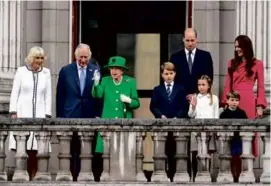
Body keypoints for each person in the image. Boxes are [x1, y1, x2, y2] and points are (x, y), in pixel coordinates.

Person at [56, 43, 102, 181]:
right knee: (72, 148)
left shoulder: (95, 70)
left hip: (89, 114)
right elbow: (60, 95)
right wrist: (59, 117)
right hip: (70, 114)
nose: (83, 60)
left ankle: (89, 177)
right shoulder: (66, 70)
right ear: (76, 56)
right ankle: (73, 176)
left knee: (88, 148)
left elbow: (99, 94)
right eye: (81, 57)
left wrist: (99, 113)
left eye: (86, 57)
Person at [9, 46, 52, 180]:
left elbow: (48, 95)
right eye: (37, 58)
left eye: (41, 58)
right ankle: (23, 175)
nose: (39, 61)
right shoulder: (21, 72)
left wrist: (47, 113)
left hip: (39, 113)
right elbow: (15, 92)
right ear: (31, 58)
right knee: (23, 146)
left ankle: (34, 176)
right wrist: (13, 112)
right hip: (23, 111)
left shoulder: (46, 73)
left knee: (37, 147)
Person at [221, 35, 267, 157]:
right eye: (235, 47)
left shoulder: (258, 64)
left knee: (248, 134)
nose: (237, 49)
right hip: (234, 101)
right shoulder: (231, 63)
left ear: (246, 47)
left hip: (249, 101)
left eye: (239, 46)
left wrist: (260, 105)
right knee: (233, 136)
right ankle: (234, 171)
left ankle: (248, 170)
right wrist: (226, 103)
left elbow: (261, 86)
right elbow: (227, 85)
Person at [150, 62, 187, 182]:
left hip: (176, 125)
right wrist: (160, 115)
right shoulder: (157, 89)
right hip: (162, 125)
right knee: (162, 152)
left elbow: (184, 106)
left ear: (175, 74)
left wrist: (178, 116)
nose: (169, 76)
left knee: (175, 151)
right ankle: (162, 175)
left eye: (171, 73)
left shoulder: (180, 88)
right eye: (166, 74)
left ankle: (173, 175)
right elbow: (153, 106)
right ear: (162, 75)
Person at [187, 75, 219, 182]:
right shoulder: (195, 97)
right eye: (199, 85)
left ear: (209, 85)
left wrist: (215, 131)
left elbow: (216, 117)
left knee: (208, 155)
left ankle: (208, 177)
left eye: (203, 84)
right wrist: (193, 105)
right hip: (196, 132)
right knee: (196, 154)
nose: (201, 87)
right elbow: (191, 115)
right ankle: (195, 178)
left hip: (209, 132)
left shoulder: (214, 98)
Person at [170, 28, 214, 97]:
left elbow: (209, 78)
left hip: (200, 98)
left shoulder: (205, 56)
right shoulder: (175, 57)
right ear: (183, 39)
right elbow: (172, 79)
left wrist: (198, 95)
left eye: (192, 40)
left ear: (196, 40)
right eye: (187, 40)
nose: (190, 43)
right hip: (180, 98)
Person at [220, 91, 247, 182]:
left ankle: (238, 175)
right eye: (232, 100)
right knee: (229, 158)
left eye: (237, 100)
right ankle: (230, 174)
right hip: (228, 140)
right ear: (227, 101)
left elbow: (246, 126)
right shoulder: (224, 114)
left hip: (238, 139)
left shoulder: (242, 113)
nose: (234, 102)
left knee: (238, 158)